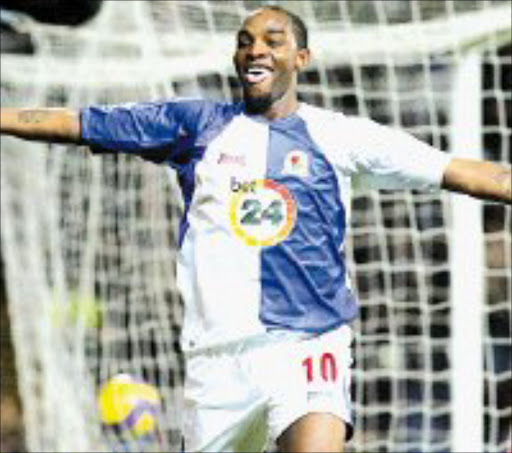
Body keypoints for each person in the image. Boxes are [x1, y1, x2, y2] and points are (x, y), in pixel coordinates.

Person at [1, 5, 510, 453]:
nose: (254, 50)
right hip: (217, 361)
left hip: (309, 346)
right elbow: (76, 122)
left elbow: (467, 172)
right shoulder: (196, 124)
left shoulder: (341, 137)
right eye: (244, 42)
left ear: (301, 59)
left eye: (272, 40)